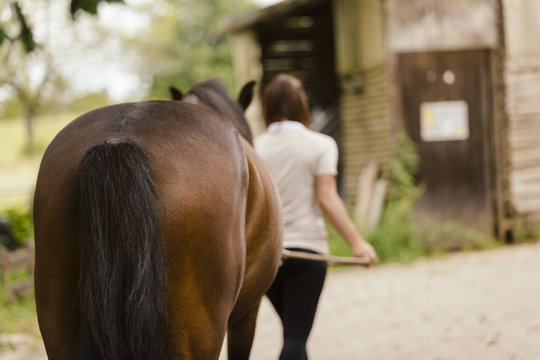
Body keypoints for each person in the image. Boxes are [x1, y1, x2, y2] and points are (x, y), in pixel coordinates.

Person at [254, 74, 378, 360]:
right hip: (308, 255)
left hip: (266, 257)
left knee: (294, 333)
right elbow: (327, 198)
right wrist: (358, 243)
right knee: (296, 339)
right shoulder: (321, 144)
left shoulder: (253, 148)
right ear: (302, 103)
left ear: (267, 105)